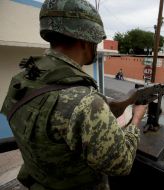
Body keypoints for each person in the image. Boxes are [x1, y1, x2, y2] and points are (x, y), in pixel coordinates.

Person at [1, 1, 147, 190]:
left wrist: (104, 106)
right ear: (86, 40)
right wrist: (136, 118)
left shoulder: (23, 79)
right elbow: (122, 164)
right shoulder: (86, 102)